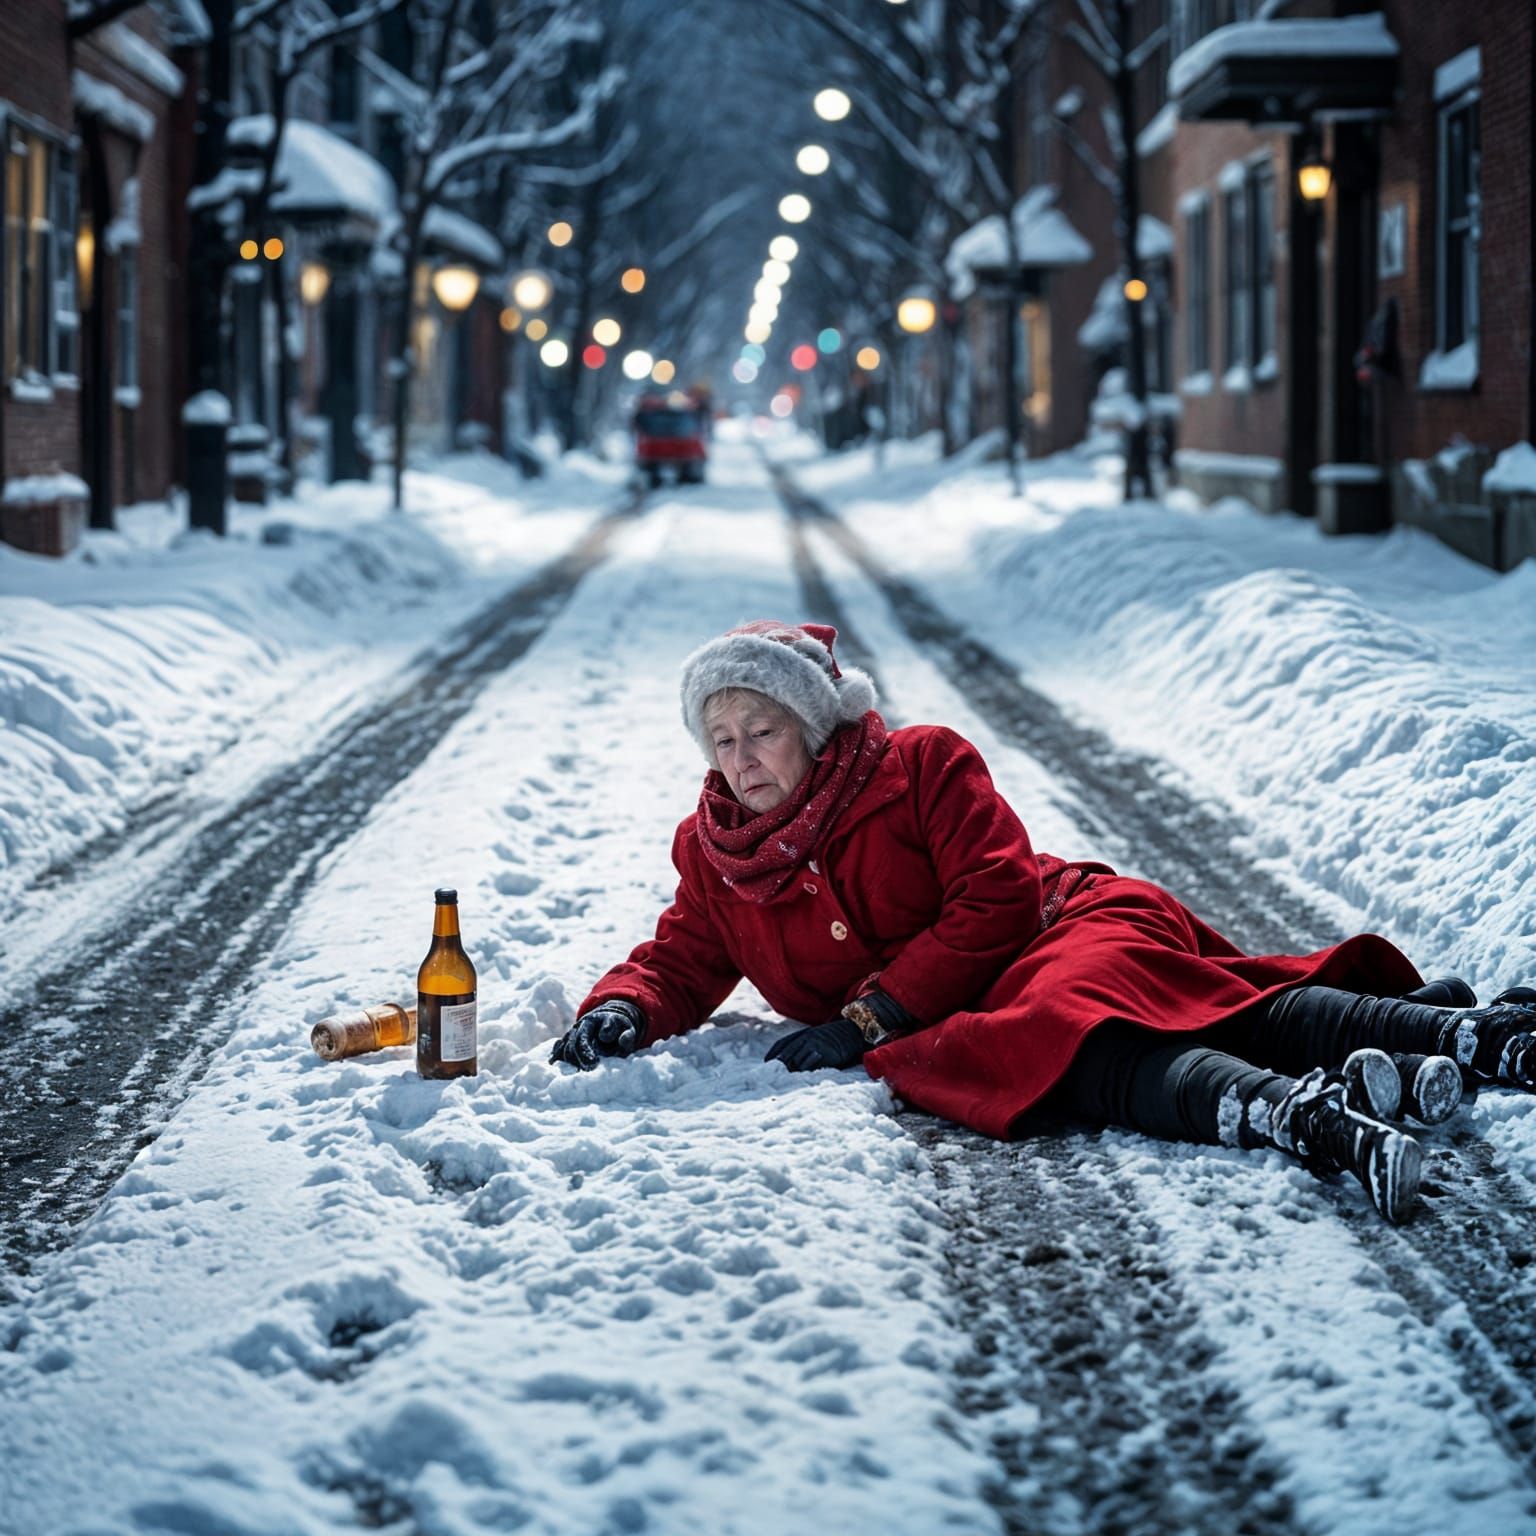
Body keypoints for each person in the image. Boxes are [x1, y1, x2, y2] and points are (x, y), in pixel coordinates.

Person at [552, 620, 1536, 1225]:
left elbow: (997, 901)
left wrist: (870, 1018)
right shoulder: (714, 851)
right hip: (955, 1015)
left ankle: (1444, 1040)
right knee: (1091, 1035)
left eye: (761, 730)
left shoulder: (922, 764)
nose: (740, 758)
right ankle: (1307, 1105)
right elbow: (681, 956)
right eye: (721, 740)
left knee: (1105, 1012)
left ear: (812, 727)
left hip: (1055, 929)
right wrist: (627, 1009)